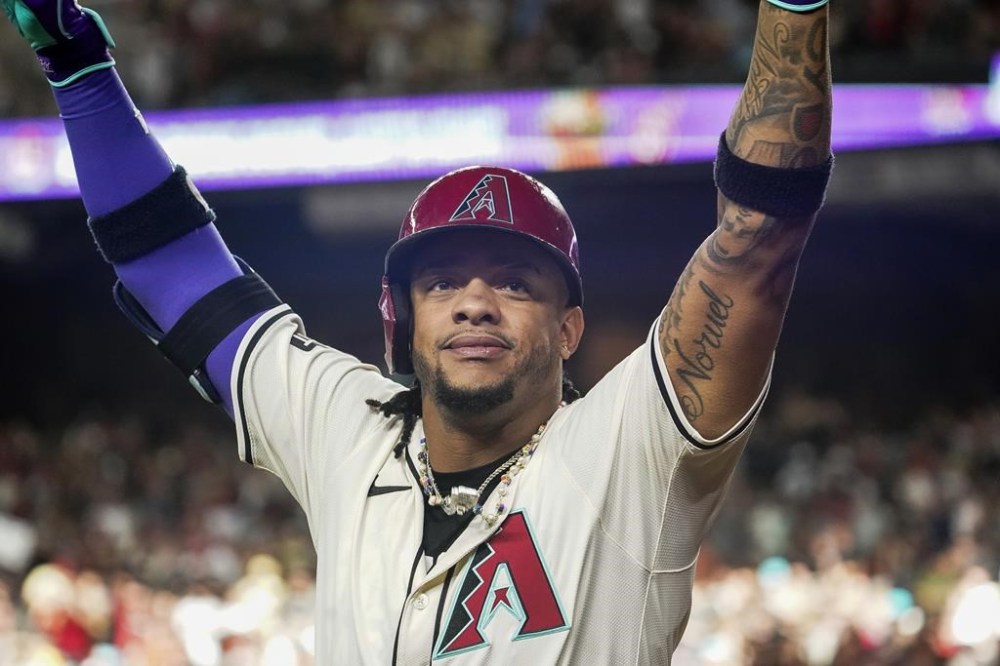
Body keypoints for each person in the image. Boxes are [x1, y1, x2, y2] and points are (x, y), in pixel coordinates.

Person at [2, 0, 832, 662]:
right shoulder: (343, 426)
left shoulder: (630, 452)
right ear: (400, 319)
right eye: (442, 282)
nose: (476, 302)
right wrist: (79, 71)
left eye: (516, 282)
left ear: (571, 326)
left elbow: (755, 241)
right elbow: (167, 266)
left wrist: (794, 6)